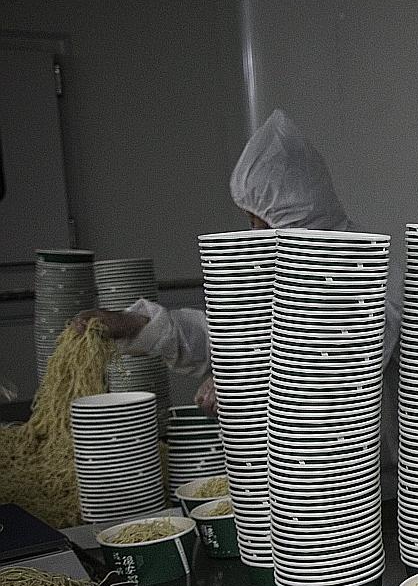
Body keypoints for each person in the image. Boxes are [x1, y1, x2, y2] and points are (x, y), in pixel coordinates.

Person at [72, 109, 398, 414]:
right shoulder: (292, 270)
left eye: (259, 221)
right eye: (250, 221)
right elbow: (240, 339)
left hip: (375, 468)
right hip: (297, 467)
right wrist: (142, 326)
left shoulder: (371, 271)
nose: (253, 235)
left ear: (295, 217)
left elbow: (337, 366)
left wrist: (237, 386)